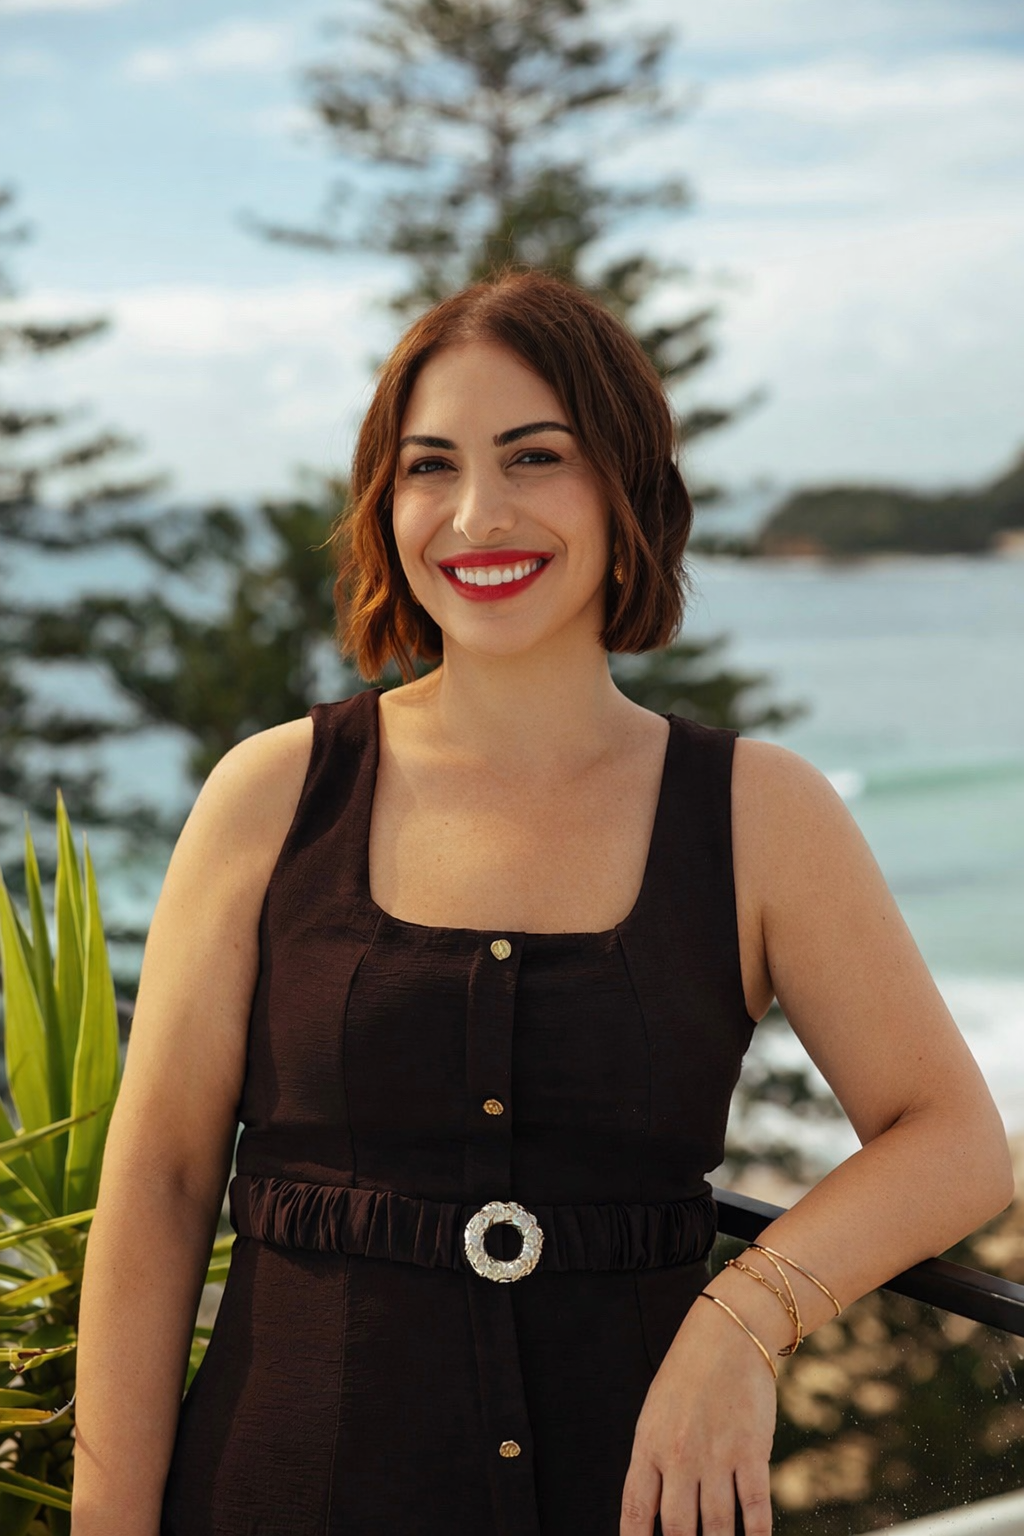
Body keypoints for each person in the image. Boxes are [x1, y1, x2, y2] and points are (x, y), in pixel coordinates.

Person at [71, 269, 1013, 1536]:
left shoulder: (761, 814)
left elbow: (952, 1140)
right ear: (384, 502)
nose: (477, 514)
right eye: (429, 466)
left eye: (535, 456)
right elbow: (161, 1186)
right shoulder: (274, 794)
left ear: (626, 489)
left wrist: (744, 1316)